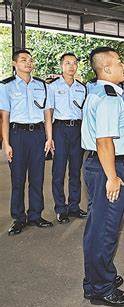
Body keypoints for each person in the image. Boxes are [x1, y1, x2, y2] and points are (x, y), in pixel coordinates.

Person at [81, 47, 124, 307]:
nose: (123, 66)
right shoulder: (108, 97)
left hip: (100, 164)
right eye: (119, 62)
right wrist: (112, 177)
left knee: (99, 227)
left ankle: (98, 278)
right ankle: (101, 288)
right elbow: (104, 141)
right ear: (106, 68)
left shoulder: (100, 92)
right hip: (107, 165)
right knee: (105, 230)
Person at [1, 49, 55, 236]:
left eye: (30, 60)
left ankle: (35, 215)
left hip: (38, 135)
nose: (28, 63)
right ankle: (18, 218)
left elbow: (47, 114)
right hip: (17, 135)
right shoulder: (6, 86)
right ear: (14, 63)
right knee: (18, 179)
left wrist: (49, 137)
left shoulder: (42, 85)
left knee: (37, 177)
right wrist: (6, 143)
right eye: (23, 60)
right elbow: (5, 117)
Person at [48, 53, 88, 224]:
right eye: (67, 63)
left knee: (75, 170)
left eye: (74, 62)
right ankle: (60, 208)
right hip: (60, 129)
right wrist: (49, 137)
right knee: (59, 170)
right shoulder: (53, 87)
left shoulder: (82, 87)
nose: (71, 66)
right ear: (61, 66)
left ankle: (74, 205)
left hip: (77, 130)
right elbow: (48, 113)